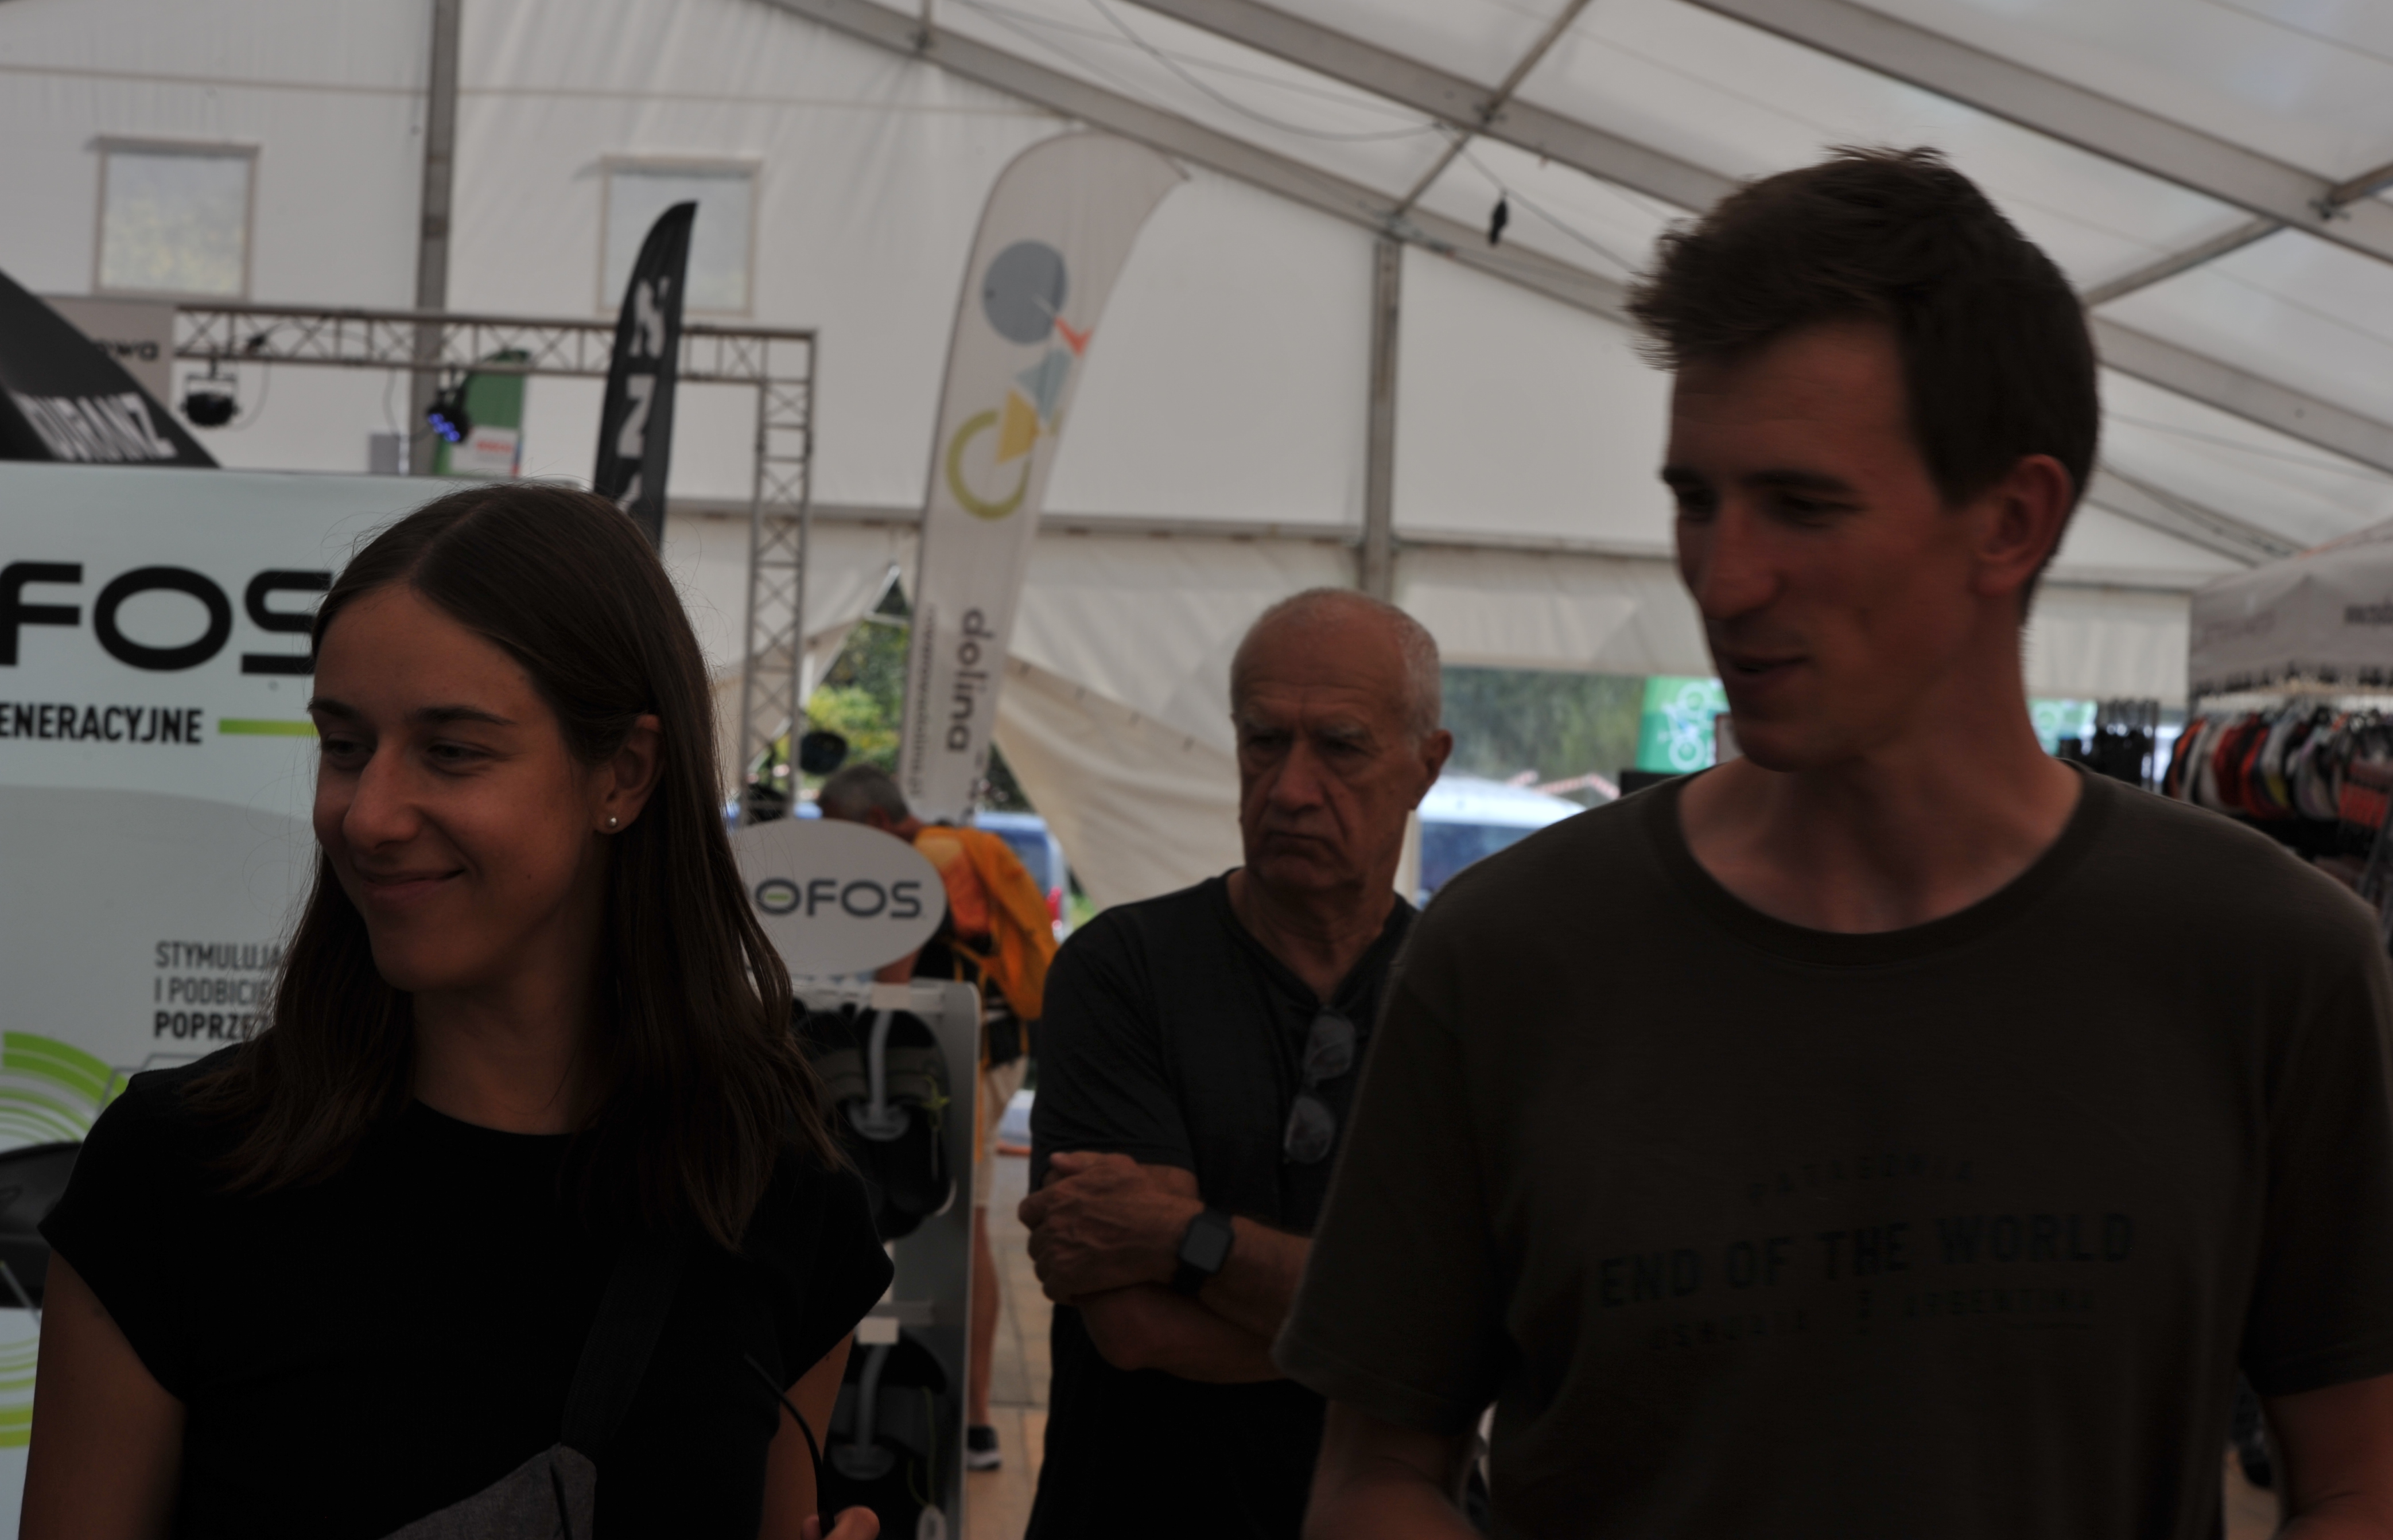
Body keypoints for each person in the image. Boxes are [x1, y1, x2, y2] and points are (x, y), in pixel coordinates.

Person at [1281, 149, 2393, 1539]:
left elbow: (2363, 1487)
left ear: (2011, 521)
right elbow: (1374, 1474)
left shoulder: (2269, 961)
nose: (1724, 577)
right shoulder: (1509, 958)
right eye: (1696, 499)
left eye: (1803, 505)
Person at [25, 485, 893, 1540]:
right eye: (344, 746)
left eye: (451, 751)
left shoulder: (779, 1195)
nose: (368, 815)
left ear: (624, 774)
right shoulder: (178, 1174)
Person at [1016, 588, 1452, 1540]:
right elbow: (1138, 1329)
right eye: (1263, 742)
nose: (1290, 789)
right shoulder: (1123, 969)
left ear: (1427, 766)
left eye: (1339, 747)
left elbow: (1475, 1328)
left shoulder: (1467, 998)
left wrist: (1184, 1236)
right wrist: (1398, 1331)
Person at [815, 762, 1058, 1474]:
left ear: (874, 823)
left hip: (967, 1059)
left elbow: (890, 985)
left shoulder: (925, 861)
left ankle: (973, 1418)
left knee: (964, 1228)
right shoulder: (953, 846)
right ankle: (969, 1414)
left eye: (841, 835)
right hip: (986, 1051)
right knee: (959, 1225)